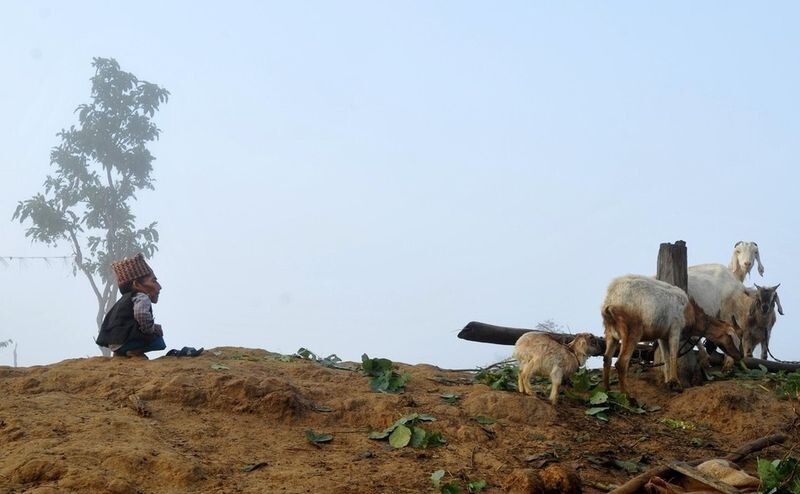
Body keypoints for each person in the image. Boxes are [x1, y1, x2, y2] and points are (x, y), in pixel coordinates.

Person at [96, 253, 166, 358]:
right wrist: (152, 329)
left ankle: (120, 353)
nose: (159, 287)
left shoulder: (124, 300)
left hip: (114, 343)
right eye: (154, 281)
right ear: (137, 284)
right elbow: (141, 314)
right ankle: (135, 351)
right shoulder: (142, 297)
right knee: (159, 340)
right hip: (125, 341)